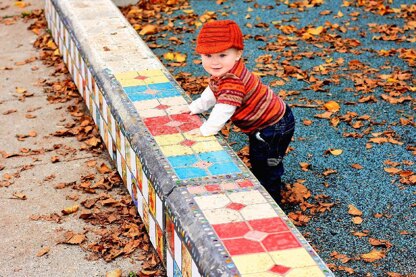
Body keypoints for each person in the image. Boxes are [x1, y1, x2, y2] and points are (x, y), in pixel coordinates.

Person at [188, 19, 295, 202]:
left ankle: (271, 199)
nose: (214, 62)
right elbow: (214, 92)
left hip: (273, 125)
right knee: (262, 158)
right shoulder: (224, 73)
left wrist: (207, 129)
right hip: (270, 122)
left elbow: (224, 108)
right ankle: (270, 180)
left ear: (238, 54)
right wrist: (197, 106)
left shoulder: (232, 79)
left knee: (266, 163)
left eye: (222, 55)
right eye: (208, 56)